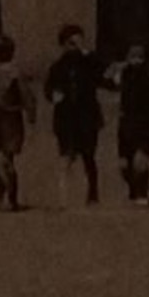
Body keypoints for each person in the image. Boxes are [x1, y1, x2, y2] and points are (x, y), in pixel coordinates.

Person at [44, 24, 105, 207]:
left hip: (87, 116)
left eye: (79, 42)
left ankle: (92, 193)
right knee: (65, 156)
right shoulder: (57, 67)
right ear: (63, 45)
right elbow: (49, 88)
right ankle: (63, 197)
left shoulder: (89, 63)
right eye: (71, 43)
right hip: (66, 118)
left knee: (88, 156)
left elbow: (103, 74)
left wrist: (89, 55)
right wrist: (53, 95)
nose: (76, 47)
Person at [0, 36, 36, 212]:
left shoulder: (14, 74)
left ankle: (12, 198)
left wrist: (30, 112)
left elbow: (26, 95)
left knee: (7, 161)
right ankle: (0, 185)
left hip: (10, 121)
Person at [114, 44, 149, 206]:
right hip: (126, 127)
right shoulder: (124, 76)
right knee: (124, 166)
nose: (136, 61)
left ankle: (142, 193)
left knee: (140, 162)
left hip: (147, 126)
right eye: (133, 57)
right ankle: (133, 189)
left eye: (139, 57)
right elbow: (109, 80)